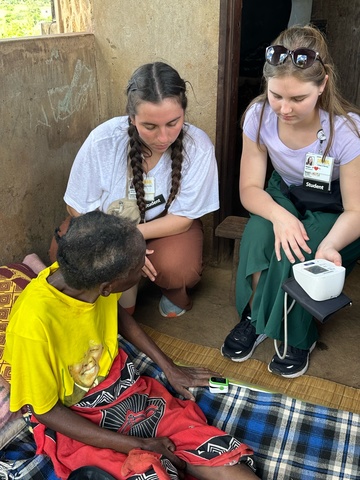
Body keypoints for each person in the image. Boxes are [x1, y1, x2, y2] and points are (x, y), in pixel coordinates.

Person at [5, 212, 259, 480]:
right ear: (108, 287)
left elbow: (116, 314)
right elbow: (45, 411)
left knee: (216, 455)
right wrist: (141, 445)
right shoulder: (32, 325)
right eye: (139, 267)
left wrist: (169, 367)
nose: (145, 267)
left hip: (127, 388)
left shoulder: (83, 278)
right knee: (145, 472)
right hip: (75, 417)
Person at [221, 24, 360, 378]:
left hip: (333, 204)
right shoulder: (258, 115)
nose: (284, 109)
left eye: (298, 98)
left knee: (304, 249)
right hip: (282, 191)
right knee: (259, 236)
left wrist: (331, 245)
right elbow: (250, 188)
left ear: (322, 85)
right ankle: (255, 315)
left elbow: (355, 209)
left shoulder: (346, 130)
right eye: (276, 95)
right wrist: (280, 217)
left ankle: (298, 335)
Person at [52, 61, 219, 319]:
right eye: (150, 126)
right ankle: (121, 300)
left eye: (173, 123)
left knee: (177, 266)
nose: (163, 137)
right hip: (105, 227)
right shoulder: (103, 141)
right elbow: (77, 207)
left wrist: (132, 242)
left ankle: (172, 290)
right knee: (60, 251)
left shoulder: (198, 147)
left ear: (184, 112)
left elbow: (183, 218)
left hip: (162, 229)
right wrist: (118, 245)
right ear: (132, 118)